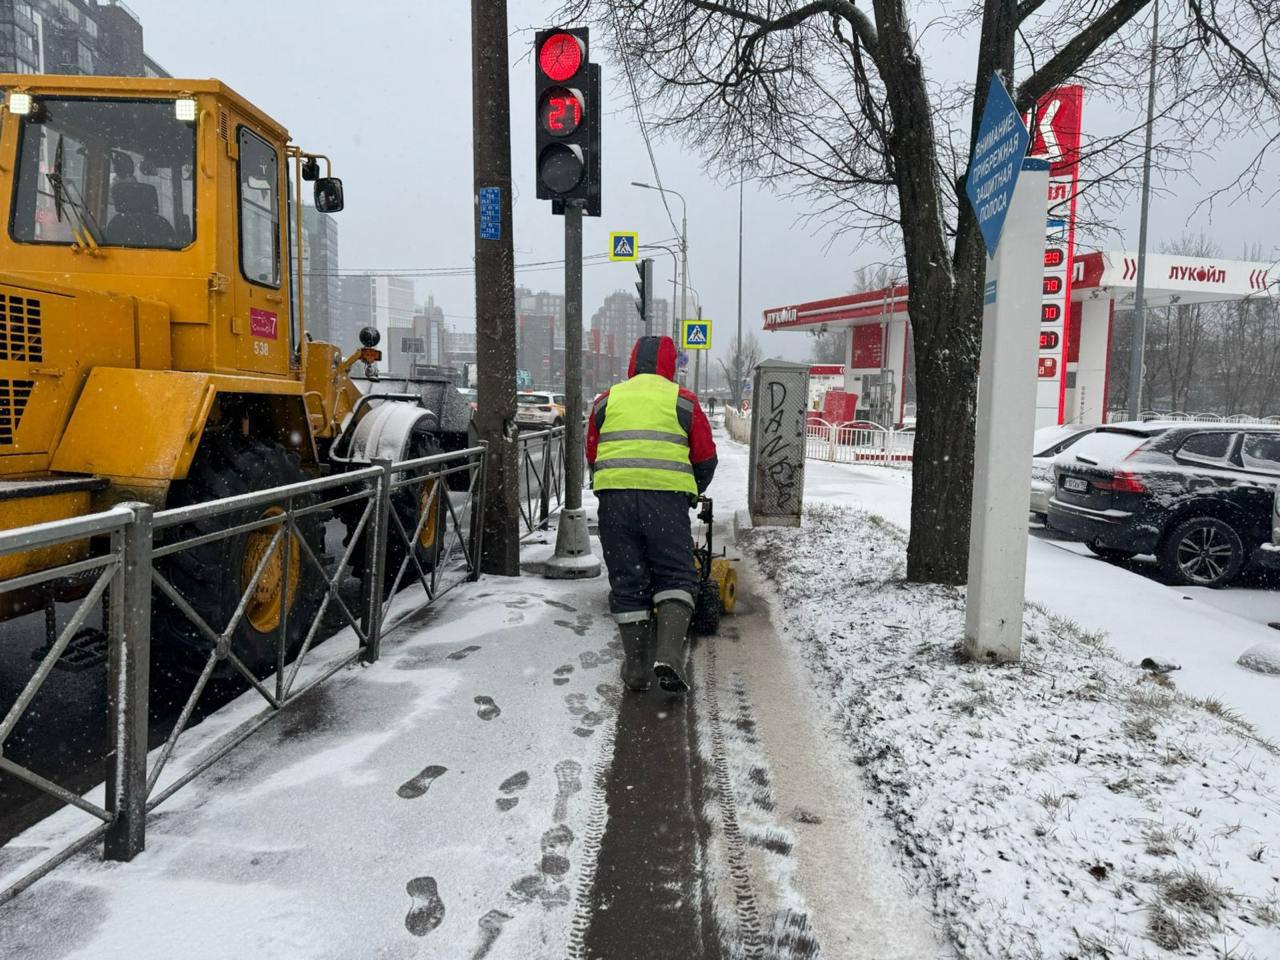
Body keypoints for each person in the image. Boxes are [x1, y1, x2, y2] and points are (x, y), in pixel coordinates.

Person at [587, 335, 717, 694]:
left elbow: (593, 454)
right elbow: (706, 457)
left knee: (627, 581)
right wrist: (691, 489)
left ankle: (636, 670)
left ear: (632, 363)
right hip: (666, 502)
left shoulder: (605, 401)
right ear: (671, 365)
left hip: (615, 502)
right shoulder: (684, 402)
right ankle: (670, 657)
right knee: (676, 574)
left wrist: (616, 484)